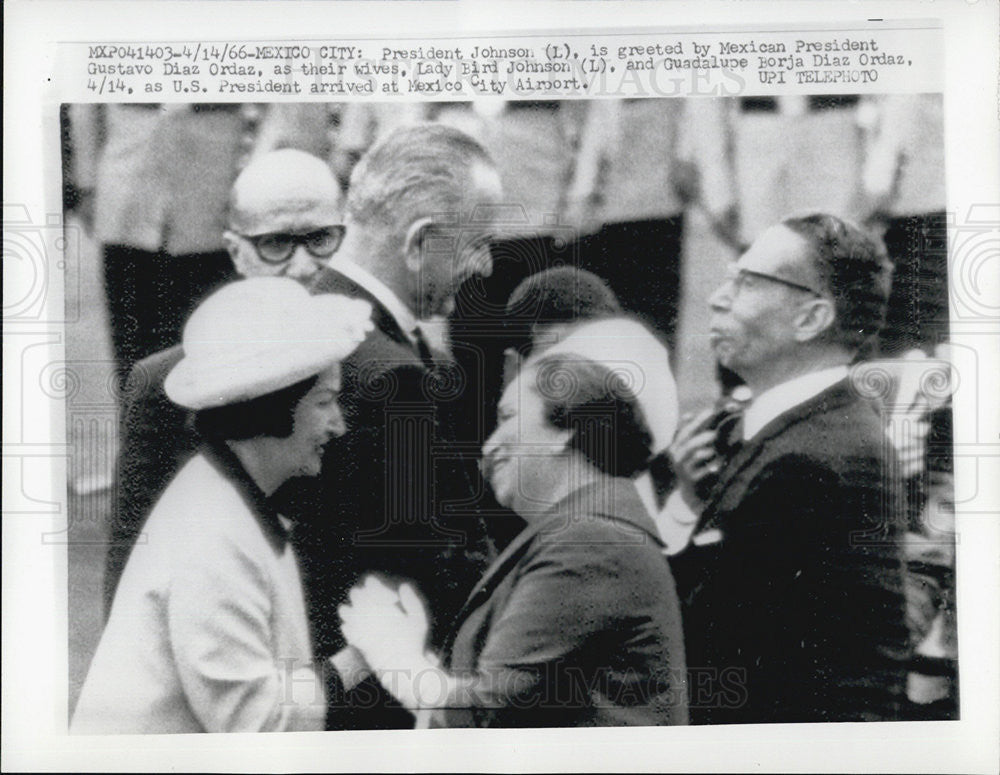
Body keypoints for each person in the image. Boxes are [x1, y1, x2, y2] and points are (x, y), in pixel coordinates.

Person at [71, 278, 373, 734]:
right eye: (324, 403)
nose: (338, 424)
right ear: (274, 408)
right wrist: (363, 656)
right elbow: (258, 724)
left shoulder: (231, 496)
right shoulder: (214, 535)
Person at [339, 354, 688, 728]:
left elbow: (479, 715)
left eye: (507, 418)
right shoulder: (588, 533)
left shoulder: (590, 541)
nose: (488, 449)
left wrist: (393, 653)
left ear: (565, 428)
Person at [289, 123, 504, 726]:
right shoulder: (391, 376)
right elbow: (437, 564)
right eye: (478, 244)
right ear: (420, 243)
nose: (487, 266)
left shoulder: (307, 319)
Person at [666, 212, 911, 724]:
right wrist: (688, 504)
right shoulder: (806, 429)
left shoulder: (810, 458)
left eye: (748, 283)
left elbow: (705, 642)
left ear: (810, 319)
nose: (718, 297)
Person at [106, 149, 346, 612]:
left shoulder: (377, 367)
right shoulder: (166, 384)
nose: (302, 266)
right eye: (276, 244)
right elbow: (130, 577)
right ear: (235, 251)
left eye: (321, 240)